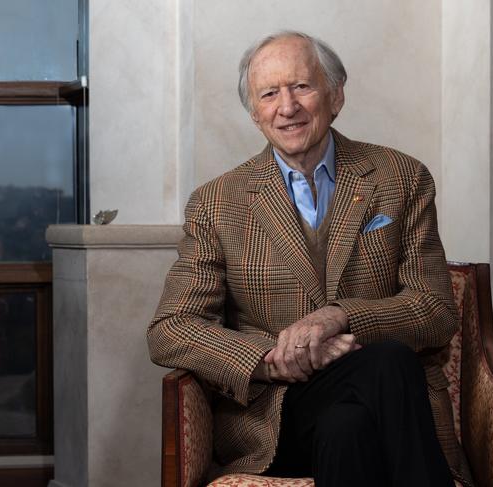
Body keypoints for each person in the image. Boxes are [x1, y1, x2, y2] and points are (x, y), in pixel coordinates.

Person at [148, 30, 465, 487]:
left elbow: (436, 312)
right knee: (389, 362)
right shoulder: (217, 202)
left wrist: (338, 318)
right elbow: (170, 329)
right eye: (270, 93)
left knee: (349, 424)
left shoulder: (401, 177)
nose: (288, 106)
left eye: (301, 86)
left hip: (381, 404)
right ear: (255, 114)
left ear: (335, 96)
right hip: (276, 412)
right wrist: (273, 359)